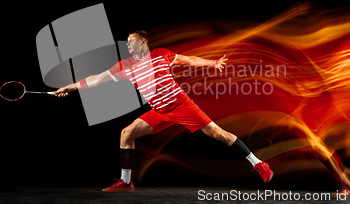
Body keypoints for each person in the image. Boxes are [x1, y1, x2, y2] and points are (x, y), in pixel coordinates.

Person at [55, 30, 273, 192]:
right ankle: (126, 182)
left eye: (131, 41)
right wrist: (70, 87)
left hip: (181, 105)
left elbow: (189, 60)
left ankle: (259, 164)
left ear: (143, 41)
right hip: (158, 111)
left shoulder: (161, 54)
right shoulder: (124, 65)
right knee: (126, 133)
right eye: (127, 42)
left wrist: (212, 63)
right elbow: (96, 79)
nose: (128, 44)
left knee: (219, 134)